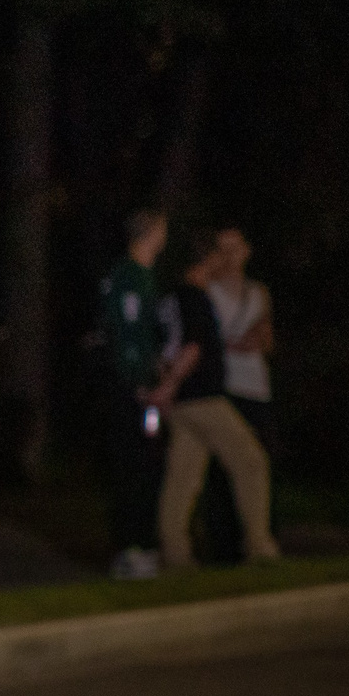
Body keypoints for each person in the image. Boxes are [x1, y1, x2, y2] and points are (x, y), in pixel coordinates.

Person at [152, 229, 282, 570]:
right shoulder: (195, 297)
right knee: (251, 461)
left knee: (184, 476)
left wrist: (164, 384)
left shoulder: (171, 298)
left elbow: (164, 346)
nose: (220, 263)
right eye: (216, 257)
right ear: (205, 260)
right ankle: (259, 546)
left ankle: (176, 554)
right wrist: (171, 385)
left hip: (183, 401)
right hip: (202, 397)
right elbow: (193, 347)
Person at [95, 209, 171, 579]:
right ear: (152, 233)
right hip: (132, 390)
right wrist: (141, 382)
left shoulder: (144, 276)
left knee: (147, 460)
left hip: (141, 386)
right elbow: (125, 332)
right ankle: (130, 550)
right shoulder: (130, 276)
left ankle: (141, 544)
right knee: (134, 464)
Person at [197, 225, 275, 562]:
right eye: (223, 248)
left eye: (236, 247)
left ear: (247, 250)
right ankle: (222, 547)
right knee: (221, 470)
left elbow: (270, 338)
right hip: (223, 386)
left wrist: (257, 340)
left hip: (255, 386)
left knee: (257, 462)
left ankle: (256, 537)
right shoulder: (207, 291)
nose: (231, 255)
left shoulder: (259, 291)